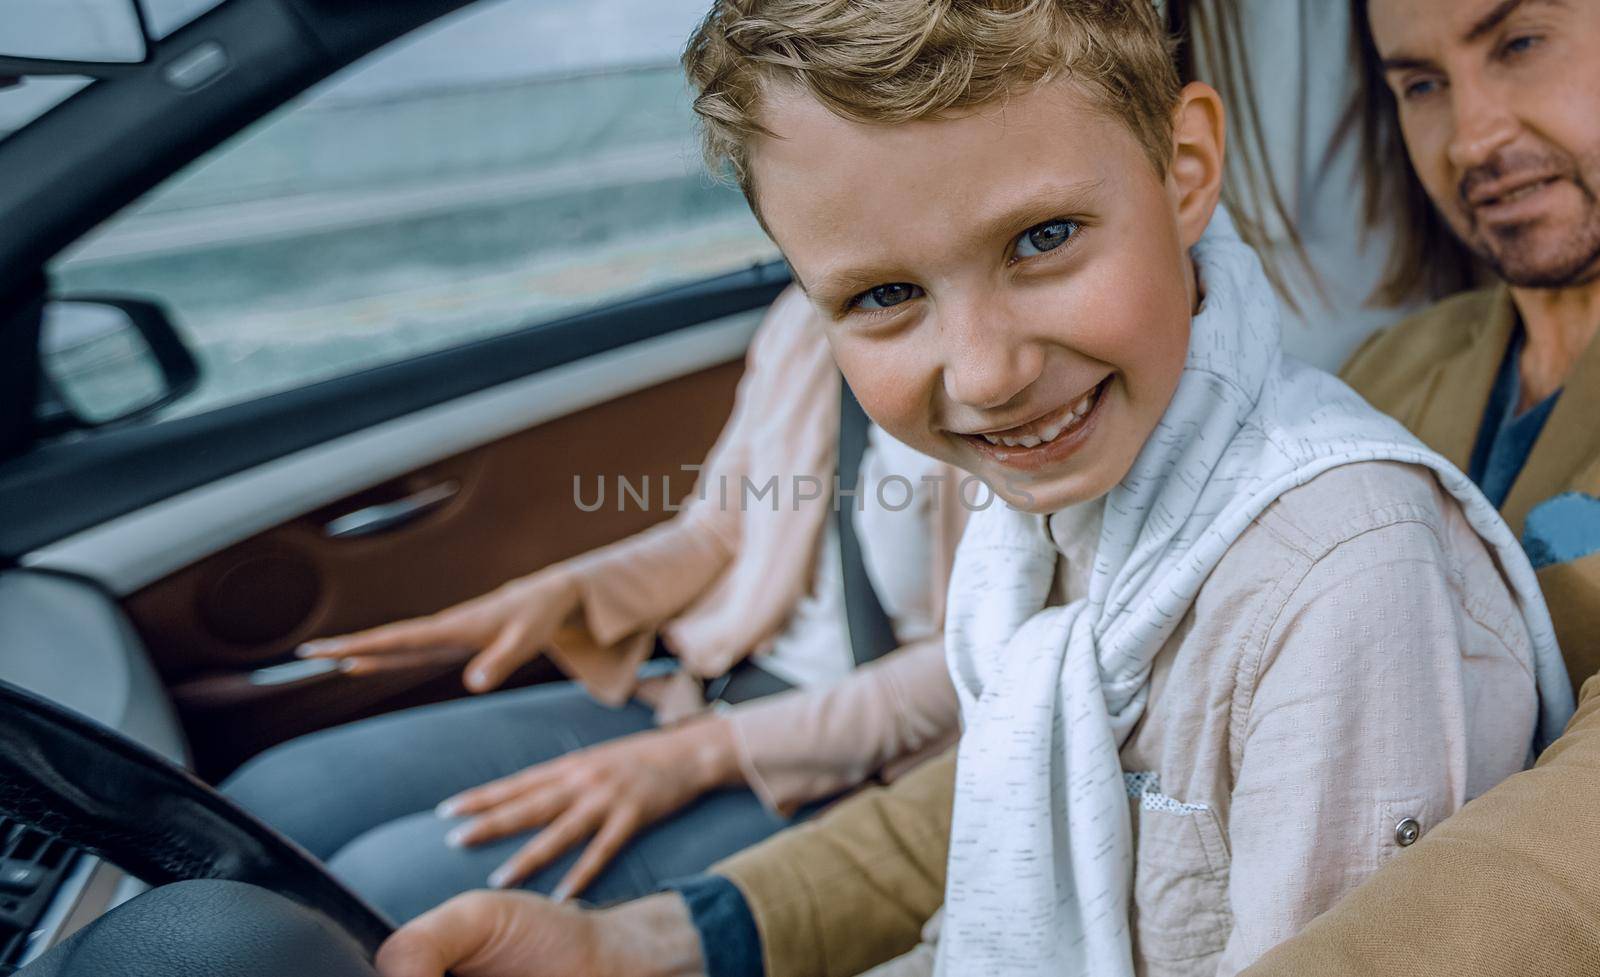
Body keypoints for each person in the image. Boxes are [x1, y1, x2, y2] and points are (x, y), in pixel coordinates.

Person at [371, 1, 1577, 975]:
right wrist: (654, 941)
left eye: (1044, 237)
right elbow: (1040, 758)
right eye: (1416, 81)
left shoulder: (1337, 534)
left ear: (1186, 170)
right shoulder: (1368, 377)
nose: (990, 374)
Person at [221, 283, 971, 922]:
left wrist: (694, 755)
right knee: (276, 795)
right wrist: (558, 594)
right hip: (708, 692)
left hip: (881, 766)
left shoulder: (1006, 370)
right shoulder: (807, 315)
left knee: (380, 885)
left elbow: (984, 663)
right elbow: (719, 528)